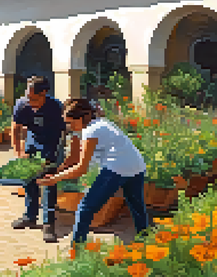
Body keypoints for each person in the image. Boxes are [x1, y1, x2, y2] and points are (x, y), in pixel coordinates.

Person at [37, 98, 149, 246]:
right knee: (137, 206)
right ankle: (146, 243)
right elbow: (75, 158)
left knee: (85, 208)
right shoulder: (100, 124)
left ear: (82, 118)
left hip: (117, 168)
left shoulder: (91, 131)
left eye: (71, 122)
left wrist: (54, 179)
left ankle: (76, 250)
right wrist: (57, 171)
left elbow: (81, 169)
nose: (68, 126)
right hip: (137, 166)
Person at [10, 76, 66, 243]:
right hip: (32, 144)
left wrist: (58, 156)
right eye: (28, 97)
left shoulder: (55, 107)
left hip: (51, 145)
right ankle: (30, 216)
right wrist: (19, 152)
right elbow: (15, 128)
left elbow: (65, 132)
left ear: (44, 93)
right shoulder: (22, 104)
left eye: (34, 99)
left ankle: (48, 224)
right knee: (29, 180)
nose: (30, 102)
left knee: (48, 182)